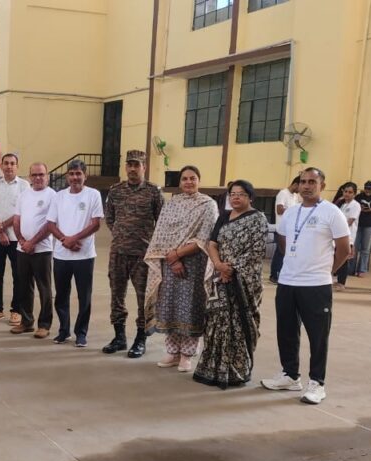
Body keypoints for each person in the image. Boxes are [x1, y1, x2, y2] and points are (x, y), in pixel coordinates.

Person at [260, 167, 351, 405]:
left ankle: (317, 383)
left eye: (312, 182)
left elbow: (344, 249)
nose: (307, 186)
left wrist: (327, 271)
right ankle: (290, 375)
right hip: (287, 282)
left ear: (322, 185)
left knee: (318, 336)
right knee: (286, 331)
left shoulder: (332, 212)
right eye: (303, 182)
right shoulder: (291, 213)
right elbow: (282, 243)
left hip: (316, 285)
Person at [193, 180, 268, 389]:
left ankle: (236, 371)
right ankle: (212, 369)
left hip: (244, 281)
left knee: (239, 324)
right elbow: (212, 244)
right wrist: (219, 265)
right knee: (216, 321)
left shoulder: (258, 219)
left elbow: (256, 251)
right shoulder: (224, 217)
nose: (236, 197)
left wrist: (231, 269)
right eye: (232, 194)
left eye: (241, 194)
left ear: (250, 197)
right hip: (221, 277)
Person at [143, 165, 218, 372]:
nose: (188, 182)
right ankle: (172, 351)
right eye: (185, 179)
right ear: (180, 182)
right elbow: (161, 234)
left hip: (194, 264)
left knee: (191, 307)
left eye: (193, 178)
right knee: (169, 305)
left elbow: (205, 237)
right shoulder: (171, 204)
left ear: (199, 180)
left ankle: (187, 354)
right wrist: (173, 260)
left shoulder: (208, 205)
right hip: (169, 264)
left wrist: (178, 254)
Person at [102, 150, 163, 359]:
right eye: (129, 165)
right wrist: (122, 235)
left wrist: (147, 242)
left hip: (142, 256)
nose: (132, 169)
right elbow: (110, 218)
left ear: (144, 167)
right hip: (118, 253)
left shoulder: (153, 192)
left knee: (142, 299)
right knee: (116, 296)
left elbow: (161, 222)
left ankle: (140, 338)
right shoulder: (116, 191)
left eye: (137, 165)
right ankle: (119, 337)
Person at [47, 159, 104, 347]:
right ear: (67, 177)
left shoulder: (93, 195)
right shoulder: (59, 196)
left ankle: (81, 333)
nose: (75, 177)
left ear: (85, 176)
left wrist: (75, 238)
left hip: (84, 255)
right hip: (61, 255)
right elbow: (50, 224)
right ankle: (64, 331)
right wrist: (65, 240)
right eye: (71, 174)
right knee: (61, 296)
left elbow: (96, 224)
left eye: (78, 174)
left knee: (84, 297)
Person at [10, 162, 56, 338]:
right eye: (34, 175)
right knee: (24, 286)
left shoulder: (52, 196)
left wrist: (33, 242)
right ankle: (26, 321)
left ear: (47, 176)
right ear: (29, 177)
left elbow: (50, 224)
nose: (38, 178)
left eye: (41, 174)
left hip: (42, 250)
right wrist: (22, 241)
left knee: (44, 288)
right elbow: (16, 220)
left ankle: (44, 324)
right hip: (22, 249)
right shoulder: (23, 195)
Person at [0, 153, 27, 325]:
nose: (9, 166)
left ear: (17, 166)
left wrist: (2, 226)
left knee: (18, 275)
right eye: (6, 163)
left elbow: (21, 212)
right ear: (1, 166)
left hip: (16, 238)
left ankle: (16, 311)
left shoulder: (24, 186)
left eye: (12, 163)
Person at [269, 177, 300, 283]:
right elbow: (279, 210)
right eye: (300, 186)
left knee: (287, 253)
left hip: (291, 229)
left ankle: (283, 274)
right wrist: (294, 210)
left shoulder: (295, 196)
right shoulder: (283, 193)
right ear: (295, 184)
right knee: (280, 252)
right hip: (282, 229)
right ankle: (274, 275)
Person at [332, 182, 360, 291]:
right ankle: (338, 279)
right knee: (336, 256)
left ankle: (342, 283)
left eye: (350, 192)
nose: (347, 194)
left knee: (344, 259)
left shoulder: (355, 205)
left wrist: (337, 228)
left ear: (354, 194)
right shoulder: (342, 204)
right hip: (338, 235)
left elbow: (350, 221)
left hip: (348, 236)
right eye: (345, 191)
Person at [352, 180, 371, 277]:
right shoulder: (359, 197)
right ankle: (351, 268)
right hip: (358, 223)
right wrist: (359, 209)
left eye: (370, 189)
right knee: (354, 247)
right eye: (366, 189)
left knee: (366, 248)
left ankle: (362, 269)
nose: (368, 191)